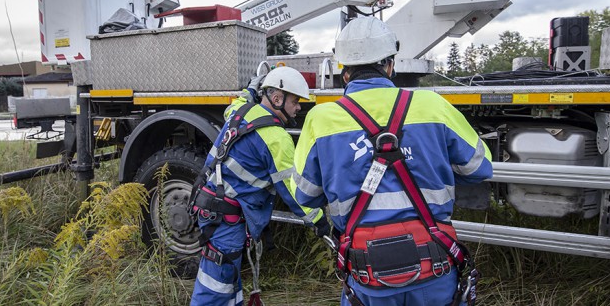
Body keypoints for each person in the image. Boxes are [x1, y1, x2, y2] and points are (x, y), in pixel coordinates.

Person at [293, 17, 493, 306]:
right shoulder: (433, 106)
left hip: (368, 274)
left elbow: (305, 195)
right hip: (434, 263)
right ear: (390, 65)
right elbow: (478, 168)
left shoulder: (320, 120)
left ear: (345, 73)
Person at [190, 66, 330, 306]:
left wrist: (251, 90)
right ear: (277, 98)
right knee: (215, 289)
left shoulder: (239, 111)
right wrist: (319, 221)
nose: (299, 107)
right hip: (226, 221)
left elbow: (240, 100)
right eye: (296, 101)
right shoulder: (276, 138)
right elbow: (294, 191)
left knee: (228, 284)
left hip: (211, 209)